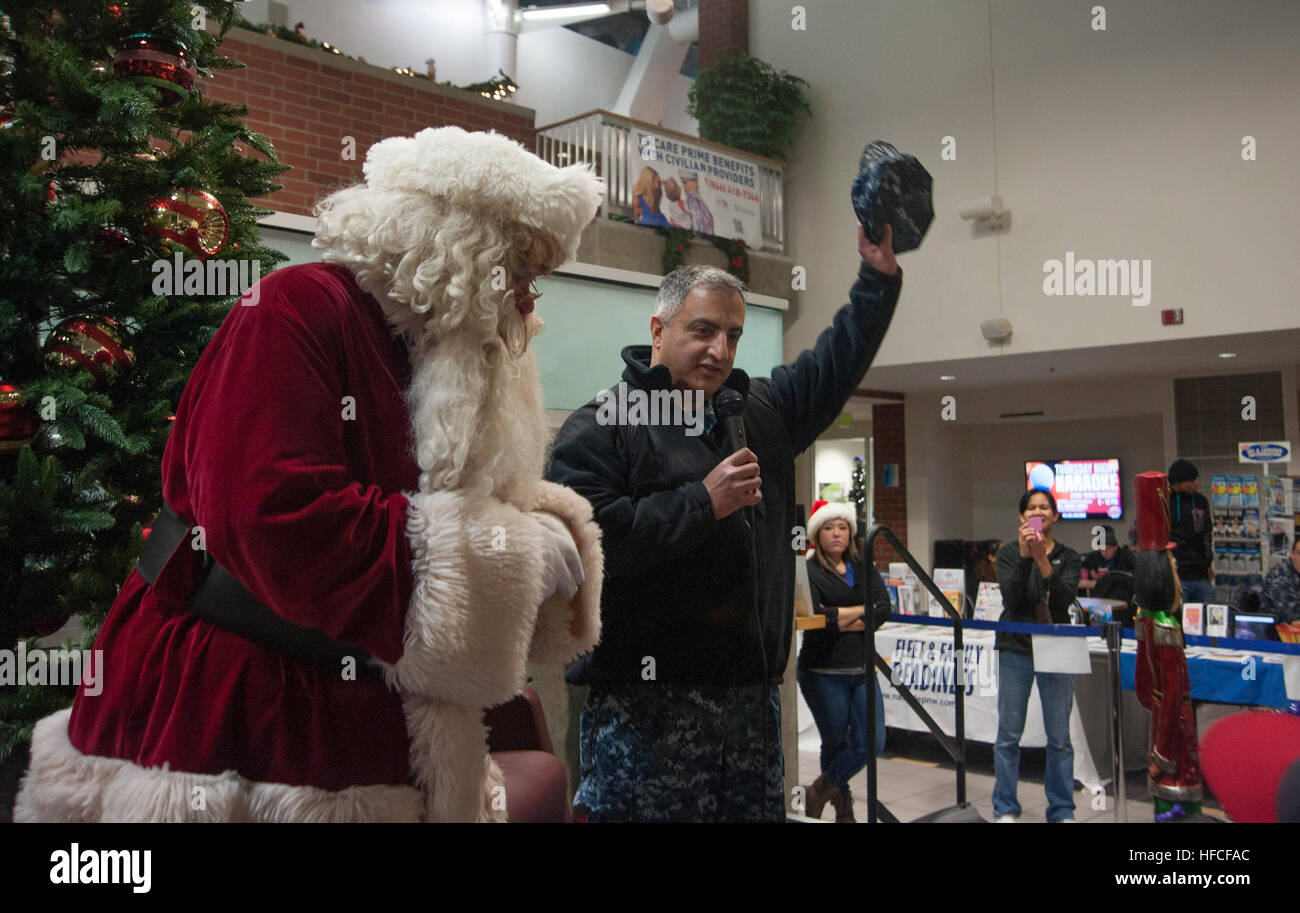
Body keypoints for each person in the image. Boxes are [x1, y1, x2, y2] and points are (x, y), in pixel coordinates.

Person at [16, 127, 606, 823]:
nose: (531, 299)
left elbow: (433, 497)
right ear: (454, 244)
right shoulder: (300, 306)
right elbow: (273, 514)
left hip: (371, 712)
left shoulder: (439, 348)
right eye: (521, 267)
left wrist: (534, 525)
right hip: (237, 709)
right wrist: (510, 554)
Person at [547, 222, 903, 822]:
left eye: (733, 335)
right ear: (658, 330)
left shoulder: (760, 411)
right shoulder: (601, 426)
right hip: (645, 716)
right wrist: (700, 503)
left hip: (752, 718)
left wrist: (878, 276)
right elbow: (588, 551)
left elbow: (836, 362)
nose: (720, 350)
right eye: (703, 330)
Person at [798, 501, 892, 822]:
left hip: (863, 669)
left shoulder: (862, 565)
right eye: (828, 527)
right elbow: (816, 617)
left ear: (850, 532)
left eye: (842, 527)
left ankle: (821, 788)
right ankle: (843, 808)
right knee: (835, 742)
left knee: (872, 742)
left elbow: (884, 609)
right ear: (816, 534)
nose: (836, 533)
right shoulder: (809, 569)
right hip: (823, 671)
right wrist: (857, 611)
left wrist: (838, 616)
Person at [992, 488, 1081, 823]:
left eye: (1045, 508)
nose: (1039, 512)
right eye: (1032, 508)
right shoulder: (1009, 554)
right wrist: (1027, 557)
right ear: (1021, 516)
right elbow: (1013, 600)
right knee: (1008, 735)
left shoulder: (1070, 557)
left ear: (1055, 516)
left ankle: (1061, 810)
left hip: (1057, 645)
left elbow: (1063, 600)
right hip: (1016, 646)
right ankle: (1005, 808)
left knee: (1059, 737)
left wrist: (1043, 558)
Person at [1132, 471, 1203, 820]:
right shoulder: (1165, 625)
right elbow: (1172, 693)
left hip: (1160, 719)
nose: (1178, 571)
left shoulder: (1144, 617)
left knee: (1165, 799)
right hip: (1174, 725)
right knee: (1180, 797)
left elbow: (1145, 688)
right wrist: (1163, 751)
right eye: (1173, 565)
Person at [1167, 459, 1214, 604]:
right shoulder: (1166, 502)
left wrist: (1208, 564)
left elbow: (1207, 534)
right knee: (1180, 617)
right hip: (1177, 575)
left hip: (1201, 573)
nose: (1196, 483)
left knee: (1208, 614)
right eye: (1191, 480)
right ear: (1179, 483)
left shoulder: (1201, 501)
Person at [1260, 537, 1300, 622]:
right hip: (1273, 631)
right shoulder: (1280, 574)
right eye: (1299, 554)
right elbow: (1290, 614)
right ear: (1292, 554)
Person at [679, 170, 715, 235]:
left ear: (694, 183)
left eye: (684, 183)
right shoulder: (697, 199)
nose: (683, 186)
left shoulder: (692, 198)